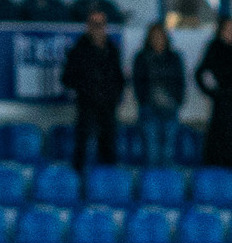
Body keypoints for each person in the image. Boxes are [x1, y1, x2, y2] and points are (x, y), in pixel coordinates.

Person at [60, 10, 125, 171]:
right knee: (82, 145)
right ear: (88, 26)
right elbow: (67, 79)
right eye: (94, 24)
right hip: (87, 105)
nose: (97, 28)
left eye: (101, 24)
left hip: (108, 106)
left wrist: (113, 95)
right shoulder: (78, 50)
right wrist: (86, 88)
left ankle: (107, 182)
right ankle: (79, 181)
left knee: (108, 145)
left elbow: (119, 77)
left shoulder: (112, 50)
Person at [133, 22, 186, 167]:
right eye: (154, 36)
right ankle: (152, 186)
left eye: (160, 36)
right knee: (152, 151)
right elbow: (137, 82)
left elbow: (180, 81)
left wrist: (177, 100)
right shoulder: (142, 58)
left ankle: (167, 187)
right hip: (149, 109)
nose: (158, 39)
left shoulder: (174, 58)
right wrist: (144, 101)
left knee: (168, 151)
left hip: (170, 108)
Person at [197, 18, 232, 167]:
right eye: (228, 29)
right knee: (220, 138)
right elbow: (200, 73)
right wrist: (213, 92)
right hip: (223, 102)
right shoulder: (215, 47)